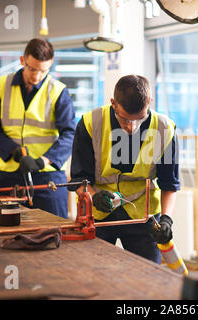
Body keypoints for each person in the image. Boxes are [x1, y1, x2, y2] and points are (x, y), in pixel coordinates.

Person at [69, 74, 180, 263]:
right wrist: (94, 196)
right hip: (98, 215)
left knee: (147, 278)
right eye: (125, 119)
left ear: (150, 102)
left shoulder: (165, 129)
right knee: (93, 274)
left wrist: (166, 220)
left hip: (143, 217)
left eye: (139, 120)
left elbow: (169, 184)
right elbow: (79, 179)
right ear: (113, 103)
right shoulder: (90, 123)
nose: (131, 127)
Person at [0, 38, 75, 219]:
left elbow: (70, 133)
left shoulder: (58, 91)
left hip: (47, 177)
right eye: (31, 68)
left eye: (43, 71)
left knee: (53, 231)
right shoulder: (2, 85)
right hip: (8, 174)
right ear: (22, 60)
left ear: (50, 65)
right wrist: (13, 151)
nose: (36, 76)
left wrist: (44, 161)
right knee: (8, 232)